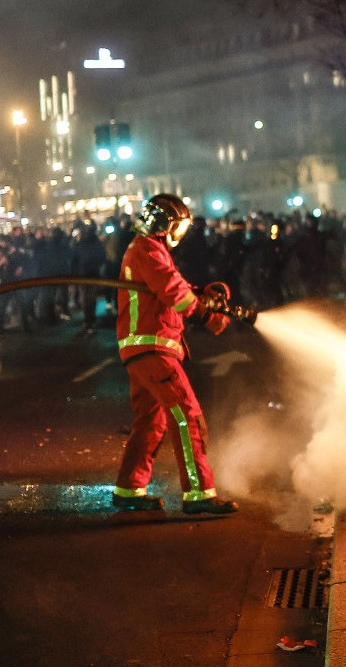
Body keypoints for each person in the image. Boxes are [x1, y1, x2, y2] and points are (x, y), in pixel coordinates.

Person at [111, 193, 239, 515]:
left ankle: (129, 488)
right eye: (178, 227)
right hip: (153, 348)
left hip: (143, 348)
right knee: (186, 416)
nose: (178, 234)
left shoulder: (149, 251)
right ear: (165, 223)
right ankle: (199, 494)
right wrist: (207, 316)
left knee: (150, 421)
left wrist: (202, 294)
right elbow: (173, 292)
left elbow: (174, 287)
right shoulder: (148, 249)